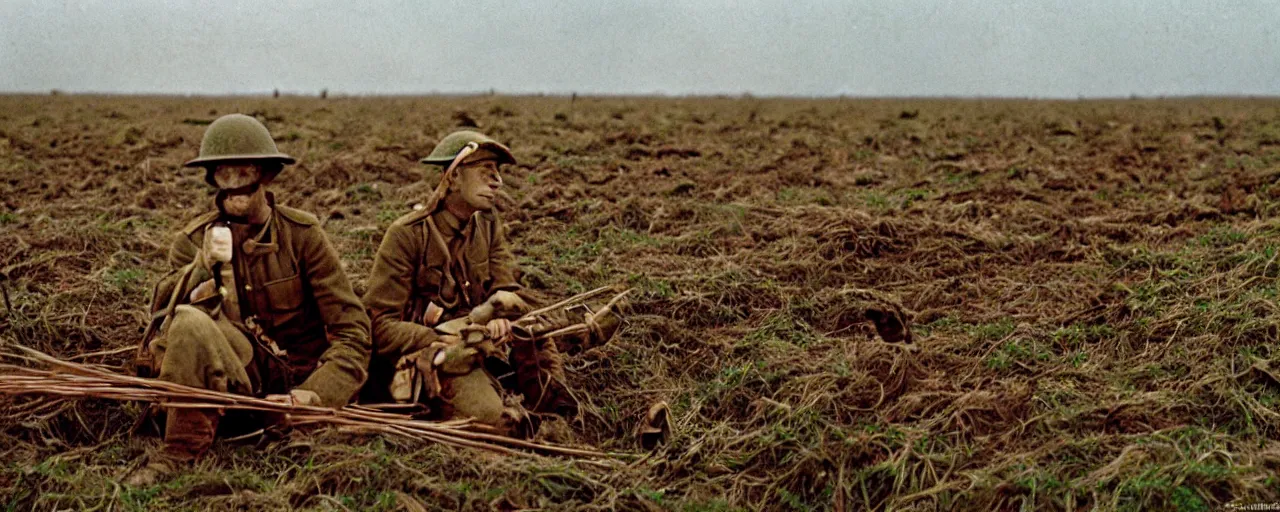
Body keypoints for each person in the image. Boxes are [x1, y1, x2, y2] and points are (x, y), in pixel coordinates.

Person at [127, 114, 371, 485]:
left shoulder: (302, 235)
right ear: (212, 179)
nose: (234, 185)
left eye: (244, 173)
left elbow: (353, 330)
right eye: (224, 174)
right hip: (231, 380)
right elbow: (162, 318)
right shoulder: (194, 241)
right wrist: (200, 266)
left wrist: (314, 397)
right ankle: (179, 451)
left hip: (294, 386)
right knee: (190, 321)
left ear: (265, 174)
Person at [362, 130, 608, 433]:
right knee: (502, 424)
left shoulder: (488, 224)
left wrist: (500, 316)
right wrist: (443, 340)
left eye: (498, 173)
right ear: (452, 178)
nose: (497, 182)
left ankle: (561, 417)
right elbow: (379, 325)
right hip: (443, 358)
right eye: (485, 172)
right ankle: (522, 425)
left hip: (487, 346)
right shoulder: (406, 236)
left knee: (533, 337)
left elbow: (506, 289)